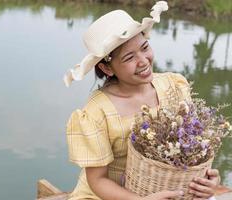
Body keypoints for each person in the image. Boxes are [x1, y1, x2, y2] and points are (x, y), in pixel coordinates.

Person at [63, 1, 220, 200]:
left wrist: (208, 178)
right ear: (107, 69)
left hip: (164, 187)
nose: (143, 61)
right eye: (129, 58)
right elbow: (98, 181)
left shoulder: (174, 86)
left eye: (145, 47)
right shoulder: (96, 113)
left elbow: (192, 145)